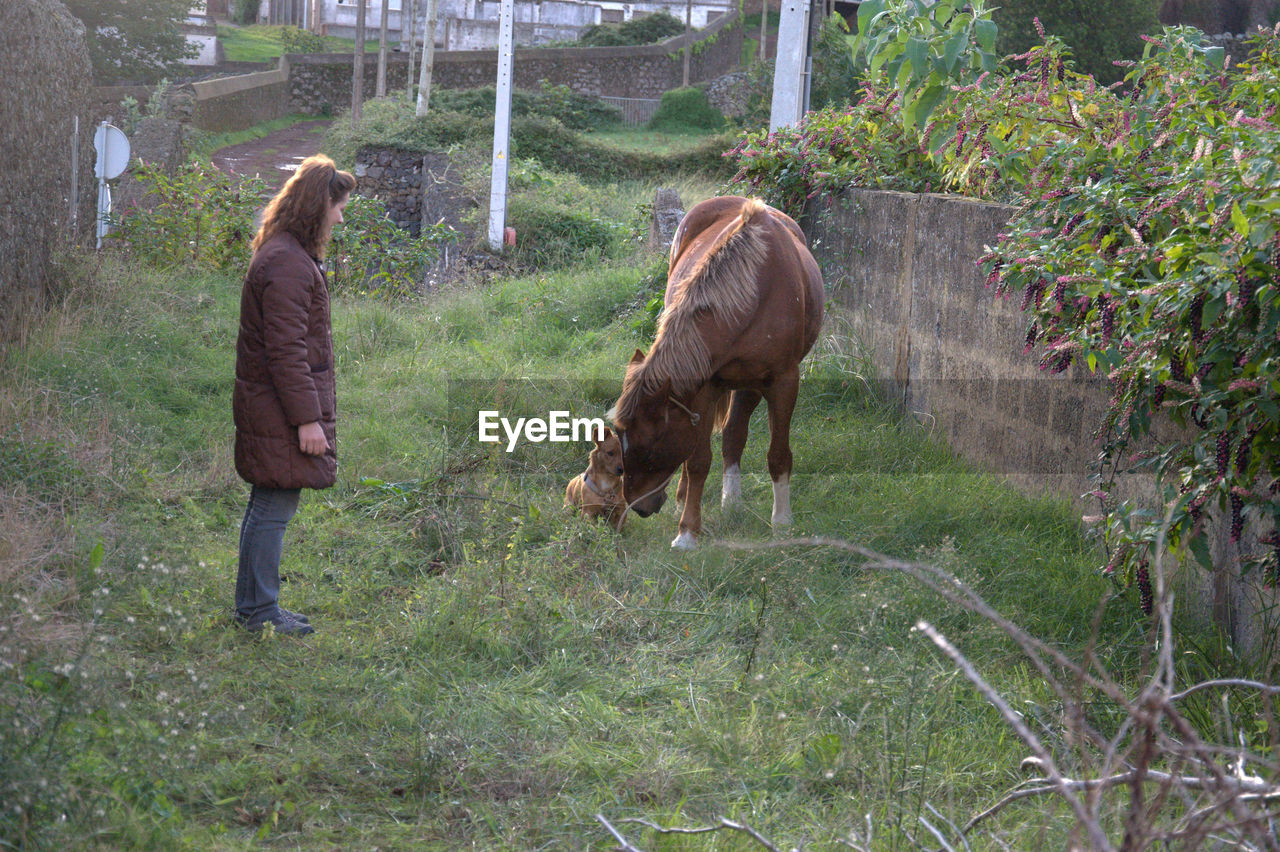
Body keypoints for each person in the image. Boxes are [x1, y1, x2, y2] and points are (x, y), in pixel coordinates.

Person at [232, 155, 355, 635]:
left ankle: (254, 608)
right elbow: (286, 352)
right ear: (316, 206)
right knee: (272, 506)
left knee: (268, 503)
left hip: (272, 402)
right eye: (337, 206)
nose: (340, 217)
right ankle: (258, 613)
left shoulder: (286, 254)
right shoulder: (287, 264)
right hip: (279, 407)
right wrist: (308, 421)